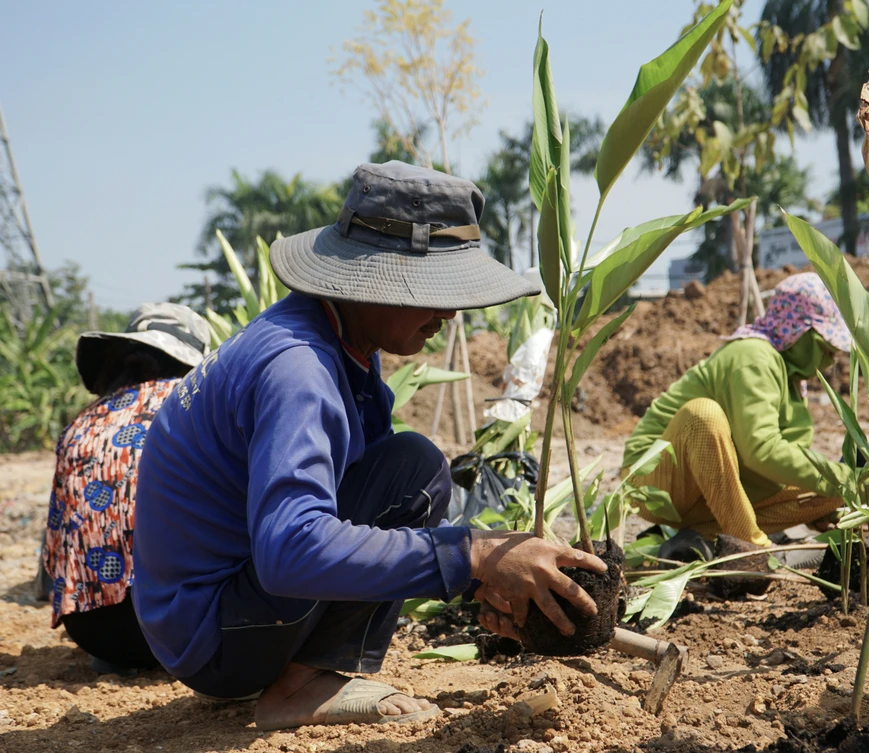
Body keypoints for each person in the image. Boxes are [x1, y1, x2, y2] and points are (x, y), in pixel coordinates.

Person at [132, 161, 607, 732]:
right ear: (374, 280)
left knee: (412, 468)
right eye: (435, 292)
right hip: (213, 636)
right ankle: (299, 686)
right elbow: (290, 551)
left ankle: (307, 670)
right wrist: (471, 555)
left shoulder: (339, 342)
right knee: (417, 473)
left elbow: (364, 505)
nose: (450, 313)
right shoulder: (299, 370)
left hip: (221, 612)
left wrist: (480, 582)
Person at [622, 272, 854, 556]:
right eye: (825, 345)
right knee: (702, 415)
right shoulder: (753, 357)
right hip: (655, 480)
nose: (833, 357)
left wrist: (835, 497)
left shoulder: (791, 378)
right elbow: (762, 449)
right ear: (798, 331)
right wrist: (844, 477)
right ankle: (750, 550)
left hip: (708, 490)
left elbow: (786, 461)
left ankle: (697, 542)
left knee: (832, 493)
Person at [43, 303, 211, 674]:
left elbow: (55, 552)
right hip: (183, 626)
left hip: (95, 633)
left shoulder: (81, 424)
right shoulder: (197, 404)